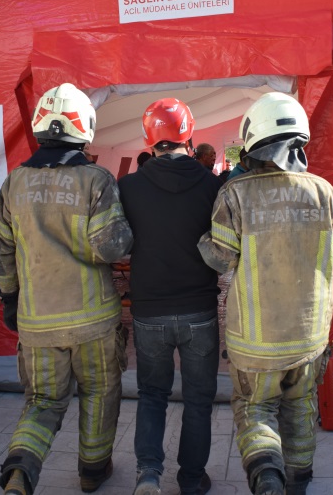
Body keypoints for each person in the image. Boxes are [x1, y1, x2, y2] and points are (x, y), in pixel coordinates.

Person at [198, 93, 333, 495]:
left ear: (253, 141)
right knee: (300, 407)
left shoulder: (235, 194)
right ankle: (298, 482)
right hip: (309, 337)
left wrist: (200, 240)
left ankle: (267, 474)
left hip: (256, 340)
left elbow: (220, 259)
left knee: (255, 407)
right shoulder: (324, 191)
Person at [0, 83, 133, 495]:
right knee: (100, 394)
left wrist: (10, 298)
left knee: (43, 402)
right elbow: (113, 247)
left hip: (38, 323)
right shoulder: (96, 180)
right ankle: (93, 471)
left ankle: (20, 473)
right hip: (94, 323)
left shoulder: (15, 182)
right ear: (84, 126)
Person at [118, 98, 223, 495]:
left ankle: (148, 474)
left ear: (150, 137)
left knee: (151, 395)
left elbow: (119, 244)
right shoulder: (213, 185)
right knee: (198, 400)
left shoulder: (128, 187)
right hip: (199, 310)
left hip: (149, 310)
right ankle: (192, 479)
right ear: (189, 135)